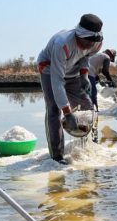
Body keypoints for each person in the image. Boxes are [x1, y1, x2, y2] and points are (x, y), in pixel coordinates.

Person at [37, 14, 103, 162]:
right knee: (54, 108)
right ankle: (57, 155)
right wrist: (67, 113)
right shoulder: (62, 44)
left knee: (87, 106)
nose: (89, 45)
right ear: (79, 35)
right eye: (86, 41)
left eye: (93, 42)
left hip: (73, 68)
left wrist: (84, 75)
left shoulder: (96, 43)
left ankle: (90, 146)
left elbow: (85, 57)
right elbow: (57, 81)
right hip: (49, 67)